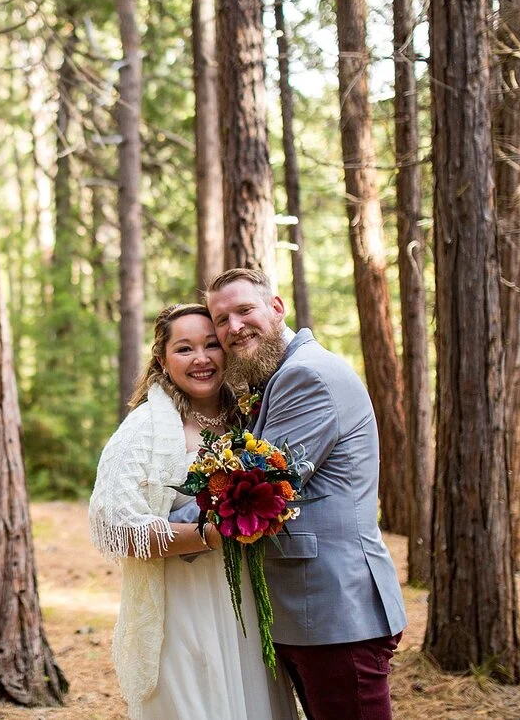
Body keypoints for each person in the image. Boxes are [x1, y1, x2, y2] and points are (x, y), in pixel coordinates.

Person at [207, 267, 408, 720]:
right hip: (309, 611)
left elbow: (258, 485)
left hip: (337, 608)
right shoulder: (278, 377)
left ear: (276, 307)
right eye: (221, 320)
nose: (233, 328)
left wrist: (161, 518)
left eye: (244, 310)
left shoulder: (307, 376)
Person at [86, 304, 297, 720]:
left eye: (211, 345)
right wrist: (209, 535)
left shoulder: (249, 418)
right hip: (183, 607)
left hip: (249, 605)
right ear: (162, 360)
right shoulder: (146, 428)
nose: (201, 359)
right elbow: (116, 526)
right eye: (185, 349)